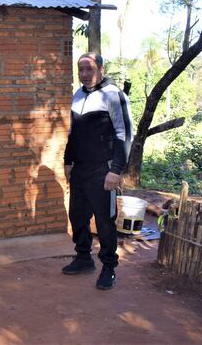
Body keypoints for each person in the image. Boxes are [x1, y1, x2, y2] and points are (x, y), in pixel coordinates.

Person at [62, 52, 133, 290]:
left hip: (103, 169)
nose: (84, 74)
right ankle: (83, 258)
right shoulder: (78, 95)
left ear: (101, 70)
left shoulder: (114, 95)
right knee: (77, 217)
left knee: (104, 221)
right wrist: (68, 161)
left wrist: (116, 169)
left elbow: (124, 134)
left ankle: (108, 267)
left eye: (89, 69)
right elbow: (73, 134)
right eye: (81, 69)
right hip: (81, 169)